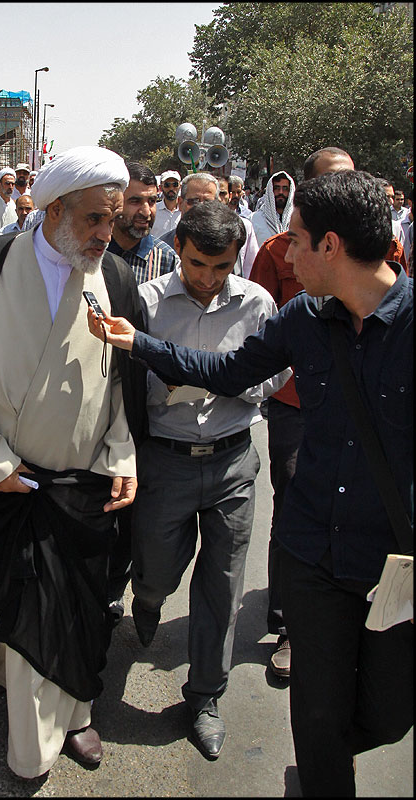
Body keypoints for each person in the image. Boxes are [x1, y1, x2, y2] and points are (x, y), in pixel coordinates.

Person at [88, 169, 413, 798]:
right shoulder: (300, 318)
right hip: (311, 551)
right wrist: (145, 346)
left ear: (330, 247)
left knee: (390, 710)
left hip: (390, 557)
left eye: (294, 240)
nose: (283, 253)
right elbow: (230, 369)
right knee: (316, 715)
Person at [0, 145, 147, 779]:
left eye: (112, 217)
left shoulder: (118, 278)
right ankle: (32, 737)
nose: (107, 232)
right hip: (7, 481)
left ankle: (74, 715)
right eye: (94, 219)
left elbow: (127, 384)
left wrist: (121, 454)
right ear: (53, 209)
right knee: (14, 604)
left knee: (74, 602)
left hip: (81, 487)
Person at [121, 199, 290, 759]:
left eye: (222, 267)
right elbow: (125, 380)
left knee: (222, 583)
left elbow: (277, 374)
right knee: (157, 567)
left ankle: (205, 697)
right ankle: (146, 598)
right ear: (179, 251)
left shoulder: (259, 304)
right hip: (164, 459)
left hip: (231, 462)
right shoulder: (145, 303)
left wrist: (233, 385)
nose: (209, 279)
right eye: (197, 265)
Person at [249, 145, 355, 679]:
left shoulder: (382, 250)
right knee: (294, 499)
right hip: (294, 403)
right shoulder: (276, 251)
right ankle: (289, 621)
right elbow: (258, 333)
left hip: (356, 406)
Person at [108, 162, 178, 285]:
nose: (146, 212)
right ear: (115, 203)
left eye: (152, 201)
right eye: (135, 201)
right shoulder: (93, 251)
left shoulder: (167, 261)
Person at [159, 172, 219, 249]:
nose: (200, 207)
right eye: (194, 201)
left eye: (208, 202)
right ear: (180, 203)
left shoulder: (230, 246)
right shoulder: (163, 247)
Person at [251, 171, 295, 247]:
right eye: (276, 188)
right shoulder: (254, 219)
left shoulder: (298, 219)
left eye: (285, 188)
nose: (281, 192)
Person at [152, 169, 182, 239]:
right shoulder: (153, 211)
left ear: (180, 187)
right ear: (160, 187)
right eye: (167, 185)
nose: (171, 188)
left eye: (175, 184)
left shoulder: (185, 211)